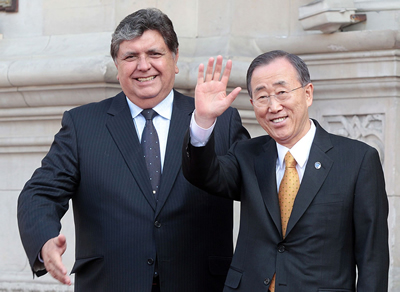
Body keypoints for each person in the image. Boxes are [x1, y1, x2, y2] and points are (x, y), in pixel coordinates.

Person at [17, 8, 249, 292]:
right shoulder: (83, 124)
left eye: (154, 54)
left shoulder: (220, 121)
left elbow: (254, 187)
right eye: (130, 57)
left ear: (175, 59)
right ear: (117, 67)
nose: (143, 65)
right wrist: (44, 241)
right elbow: (39, 193)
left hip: (201, 283)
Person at [182, 50, 389, 291]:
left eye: (282, 92)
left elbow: (372, 259)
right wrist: (204, 120)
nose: (273, 106)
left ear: (308, 93)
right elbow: (203, 173)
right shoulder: (246, 155)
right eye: (262, 96)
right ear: (252, 104)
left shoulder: (357, 160)